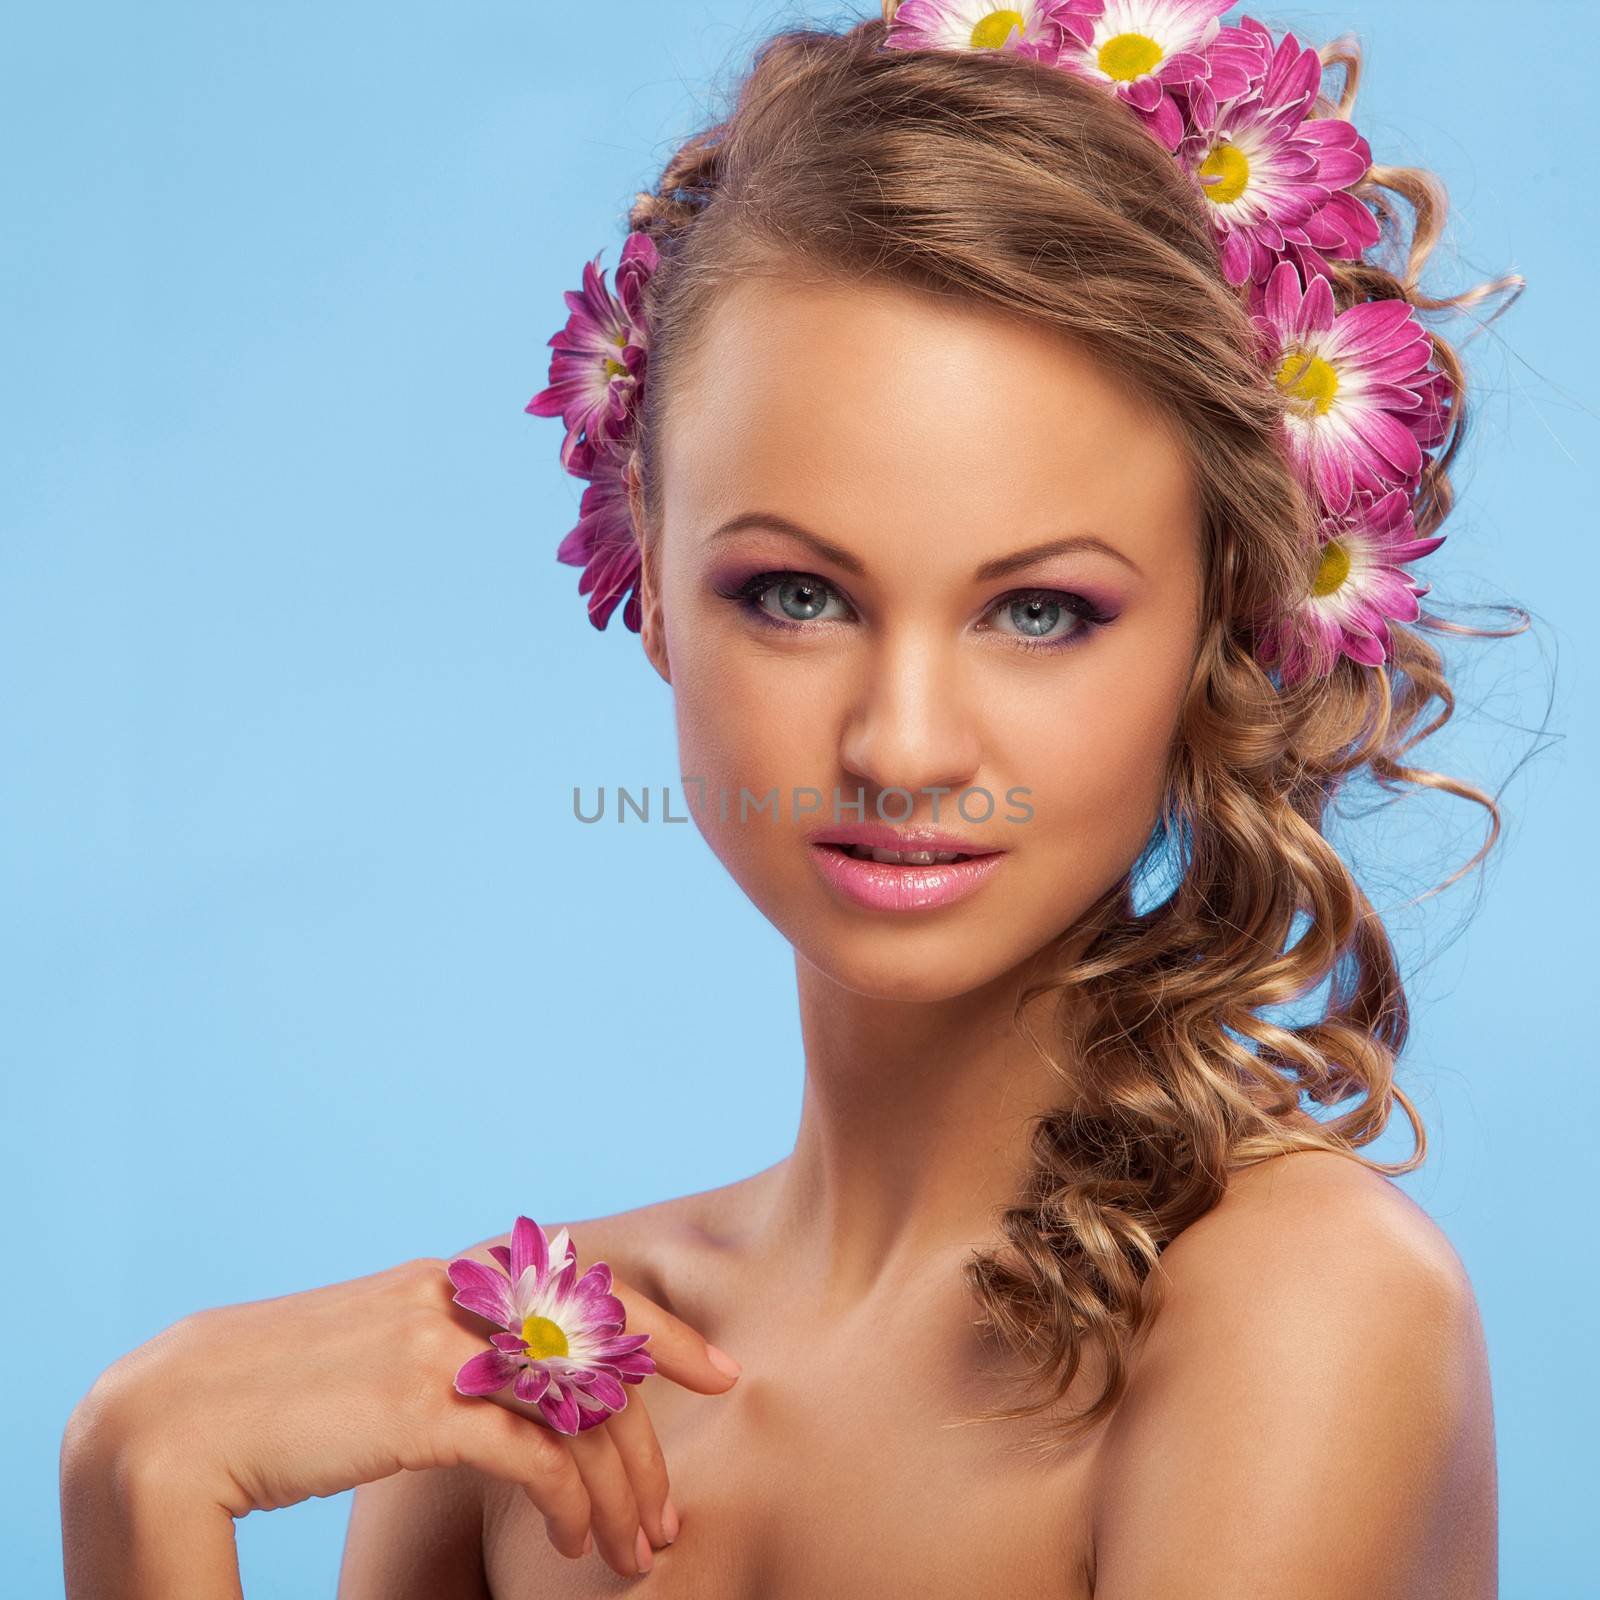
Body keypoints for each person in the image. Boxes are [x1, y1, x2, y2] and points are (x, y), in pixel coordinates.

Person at [61, 4, 1522, 1595]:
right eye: (797, 595)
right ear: (657, 583)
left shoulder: (1299, 1310)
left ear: (1220, 619)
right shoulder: (530, 1373)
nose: (901, 747)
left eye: (1040, 611)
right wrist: (143, 1476)